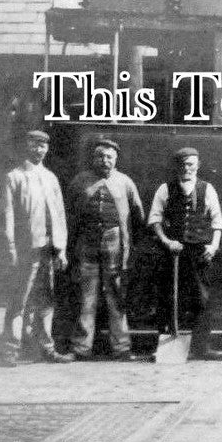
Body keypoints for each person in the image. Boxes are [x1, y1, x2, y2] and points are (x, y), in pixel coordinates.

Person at [66, 138, 143, 360]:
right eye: (100, 156)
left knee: (116, 297)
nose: (104, 160)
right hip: (87, 245)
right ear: (93, 158)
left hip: (115, 244)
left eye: (109, 156)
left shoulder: (125, 182)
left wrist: (130, 245)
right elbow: (69, 213)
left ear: (115, 159)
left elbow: (138, 215)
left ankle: (122, 349)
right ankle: (81, 349)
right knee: (87, 298)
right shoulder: (80, 181)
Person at [0, 130, 71, 365]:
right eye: (34, 145)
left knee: (46, 301)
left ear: (47, 149)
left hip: (48, 249)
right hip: (26, 250)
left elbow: (59, 216)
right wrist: (11, 248)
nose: (38, 150)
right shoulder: (14, 177)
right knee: (19, 300)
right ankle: (11, 351)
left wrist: (61, 249)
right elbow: (7, 216)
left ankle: (47, 348)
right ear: (26, 147)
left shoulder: (50, 178)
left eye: (42, 146)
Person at [147, 147, 222, 360]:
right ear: (177, 167)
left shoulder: (207, 189)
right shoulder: (165, 189)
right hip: (173, 252)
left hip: (200, 252)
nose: (186, 168)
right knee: (168, 298)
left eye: (191, 164)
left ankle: (201, 347)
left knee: (202, 299)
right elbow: (154, 219)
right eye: (182, 164)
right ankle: (165, 346)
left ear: (197, 165)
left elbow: (217, 221)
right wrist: (167, 241)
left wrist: (213, 246)